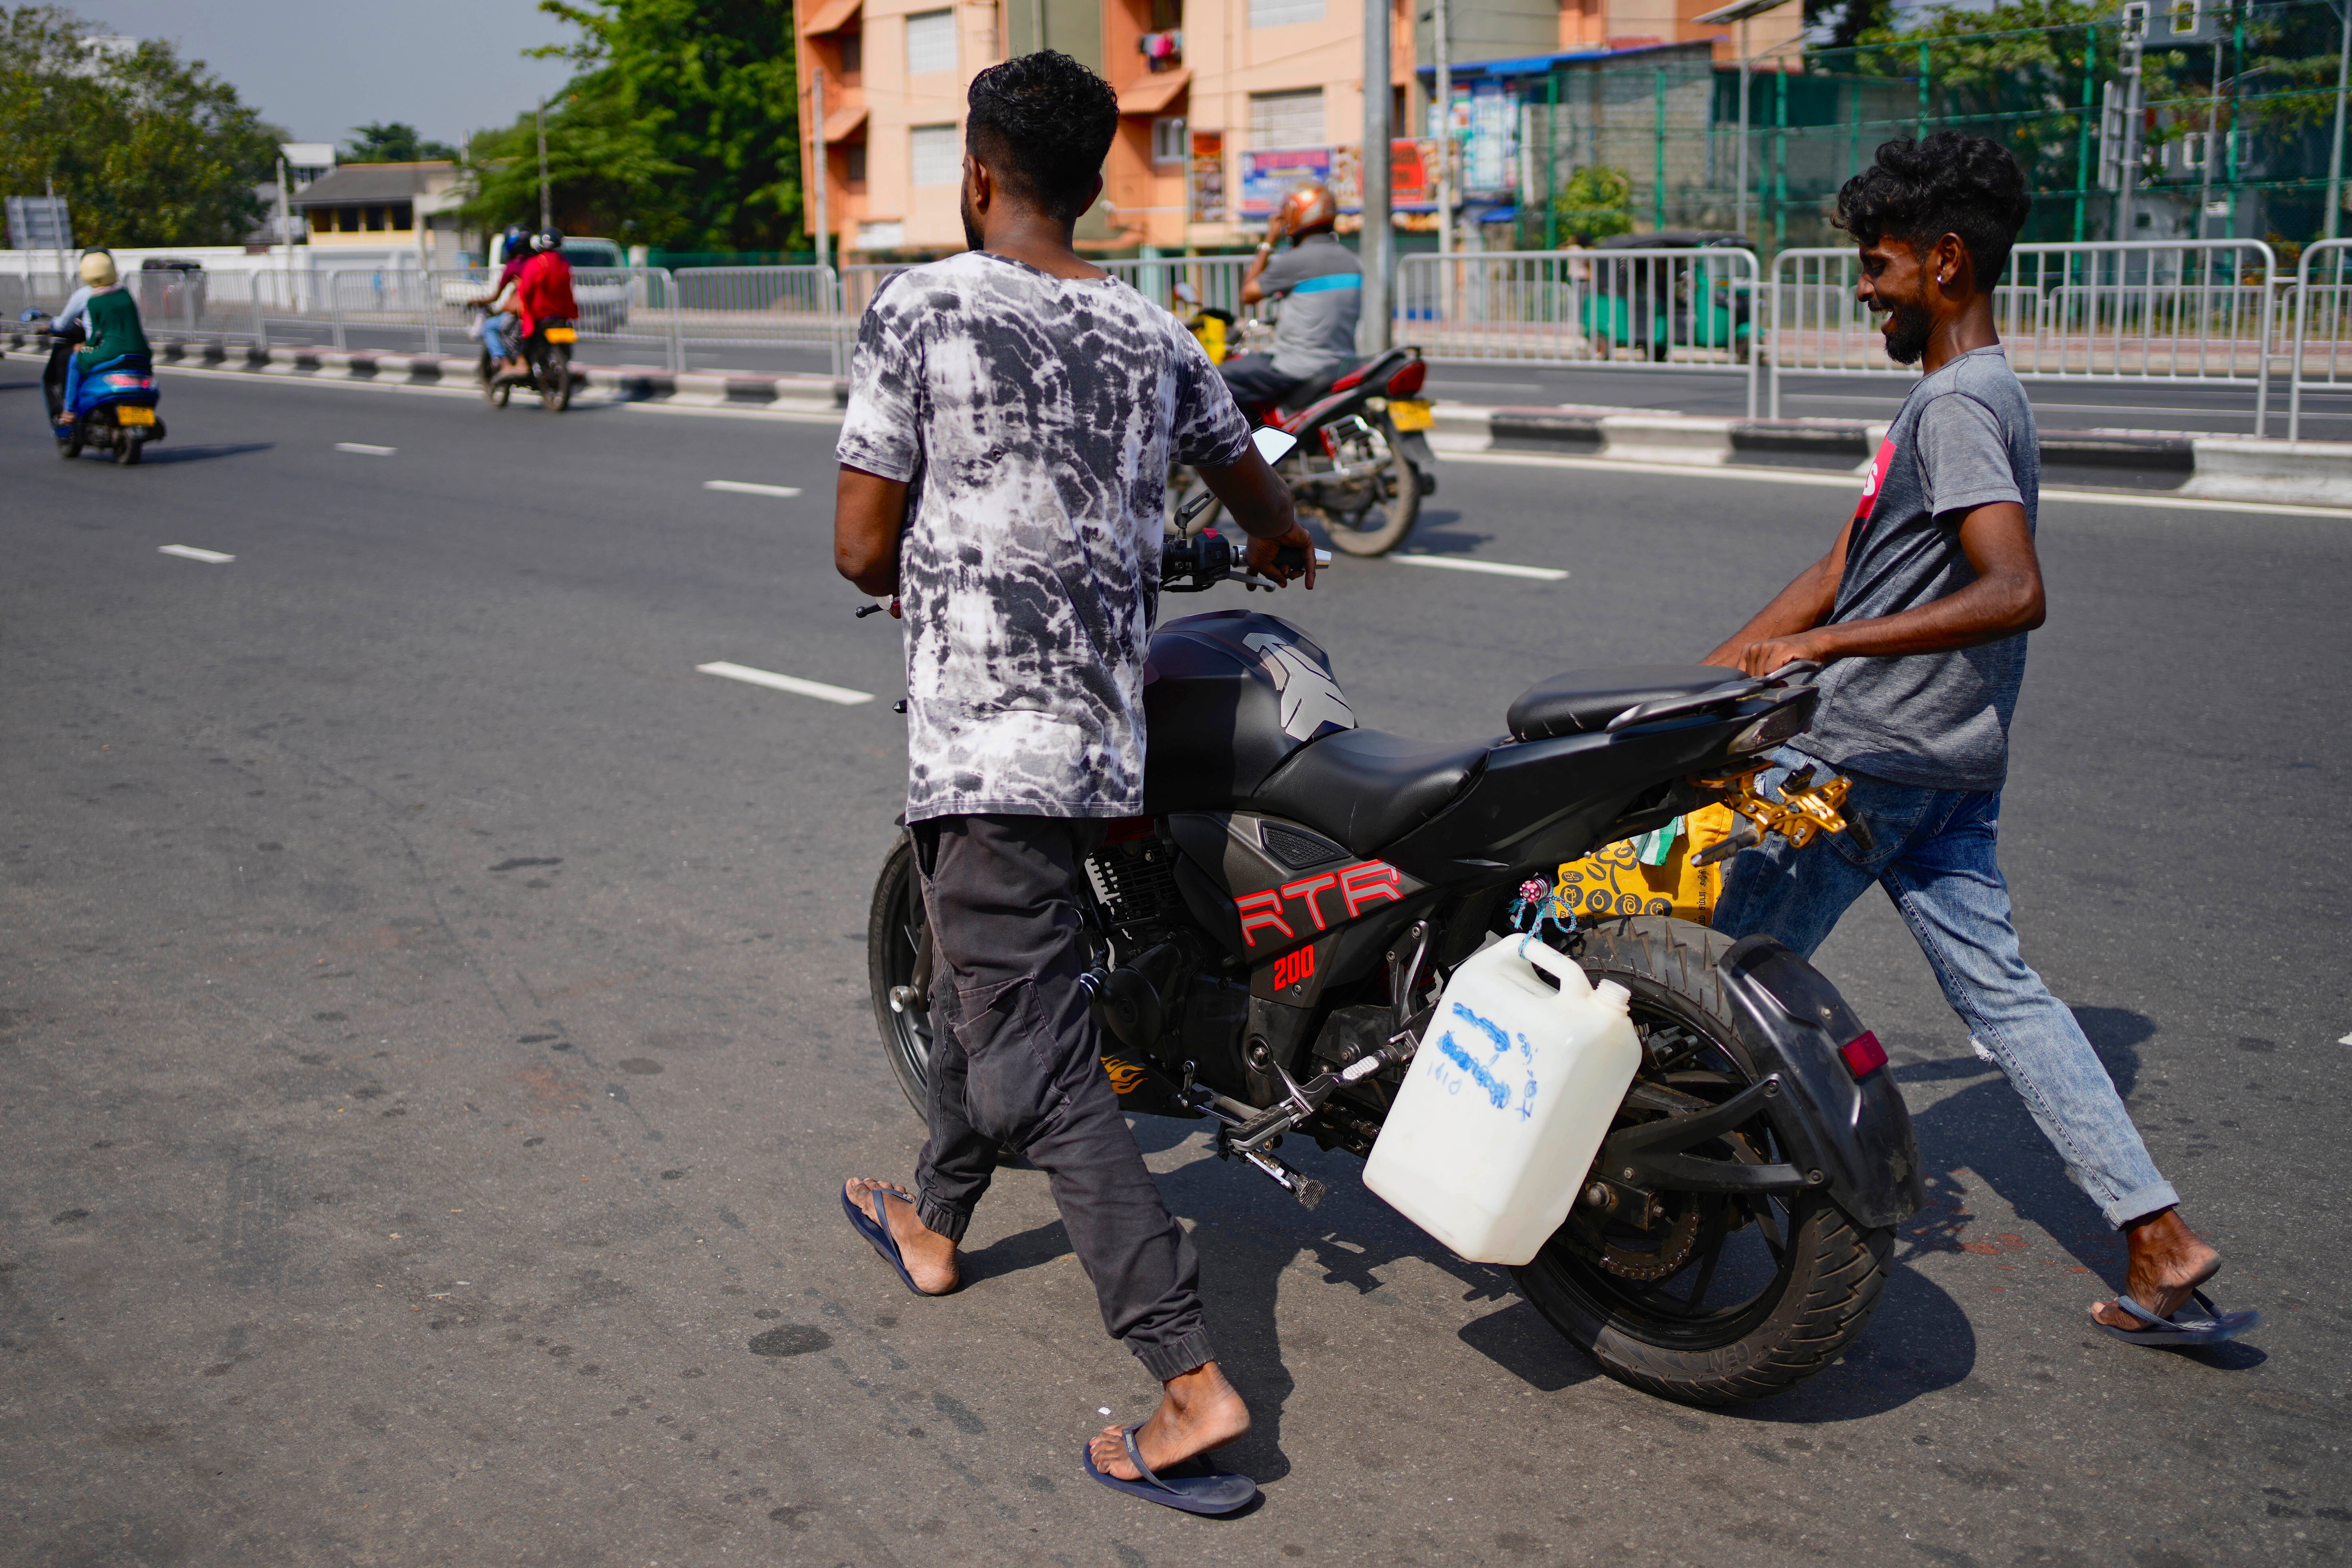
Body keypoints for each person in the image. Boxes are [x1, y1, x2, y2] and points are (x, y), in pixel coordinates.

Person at [831, 49, 1316, 1513]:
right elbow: (1252, 483)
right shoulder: (1150, 328)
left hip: (983, 745)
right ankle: (931, 1216)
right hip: (1104, 737)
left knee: (1036, 1044)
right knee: (1013, 989)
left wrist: (933, 552)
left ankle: (1187, 1377)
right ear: (1098, 180)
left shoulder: (919, 304)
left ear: (978, 172)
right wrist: (1282, 544)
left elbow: (860, 546)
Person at [1702, 132, 2254, 1350]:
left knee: (1716, 969)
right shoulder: (1975, 392)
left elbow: (2010, 587)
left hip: (1867, 763)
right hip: (1949, 765)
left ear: (1945, 261)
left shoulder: (1952, 405)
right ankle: (2158, 1239)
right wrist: (1710, 673)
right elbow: (1847, 564)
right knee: (2005, 998)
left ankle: (1683, 1194)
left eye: (1878, 262)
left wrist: (1830, 653)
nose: (1862, 287)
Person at [1218, 180, 1361, 411]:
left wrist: (1269, 240)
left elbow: (1248, 294)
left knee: (1219, 378)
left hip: (1297, 366)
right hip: (1341, 362)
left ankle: (1246, 446)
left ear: (1297, 216)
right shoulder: (1352, 260)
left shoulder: (1295, 261)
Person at [47, 249, 147, 423]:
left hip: (112, 350)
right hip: (141, 349)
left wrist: (87, 347)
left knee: (75, 361)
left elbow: (96, 334)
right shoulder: (126, 295)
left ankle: (69, 411)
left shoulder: (94, 300)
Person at [510, 229, 578, 374]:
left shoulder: (536, 263)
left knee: (524, 338)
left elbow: (525, 290)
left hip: (540, 317)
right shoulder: (565, 265)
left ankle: (524, 364)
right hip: (561, 316)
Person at [471, 225, 532, 379]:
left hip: (524, 313)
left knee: (490, 327)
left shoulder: (513, 267)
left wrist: (477, 301)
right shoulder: (538, 262)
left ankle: (505, 364)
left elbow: (496, 297)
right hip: (544, 311)